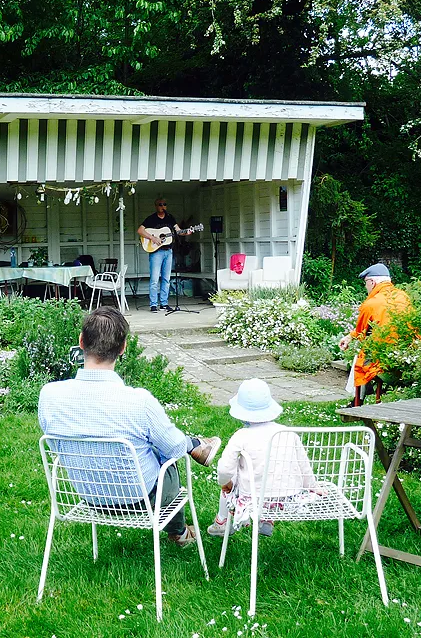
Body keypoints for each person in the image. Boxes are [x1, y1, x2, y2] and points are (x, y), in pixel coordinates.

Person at [38, 307, 222, 546]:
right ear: (123, 348)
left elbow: (54, 442)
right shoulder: (138, 401)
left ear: (81, 341)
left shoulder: (50, 395)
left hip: (85, 495)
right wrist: (184, 444)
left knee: (154, 446)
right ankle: (180, 529)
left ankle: (195, 447)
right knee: (167, 453)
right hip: (140, 499)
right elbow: (174, 449)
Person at [208, 379, 319, 538]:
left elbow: (224, 469)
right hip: (287, 497)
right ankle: (266, 519)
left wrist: (226, 482)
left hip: (252, 497)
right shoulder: (287, 432)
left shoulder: (242, 436)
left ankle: (222, 521)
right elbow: (303, 464)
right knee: (272, 476)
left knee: (230, 479)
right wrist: (312, 486)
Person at [338, 263, 412, 402]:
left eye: (366, 283)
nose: (366, 287)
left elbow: (361, 332)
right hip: (405, 354)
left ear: (372, 282)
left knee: (360, 357)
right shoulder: (404, 297)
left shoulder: (371, 303)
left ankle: (356, 401)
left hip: (382, 358)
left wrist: (351, 337)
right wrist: (350, 336)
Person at [137, 196, 189, 313]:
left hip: (168, 251)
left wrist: (186, 232)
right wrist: (152, 238)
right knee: (155, 279)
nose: (162, 206)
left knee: (166, 279)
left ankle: (164, 304)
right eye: (160, 204)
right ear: (156, 206)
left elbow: (178, 231)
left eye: (164, 204)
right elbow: (140, 230)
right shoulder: (151, 218)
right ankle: (153, 304)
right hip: (156, 252)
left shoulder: (170, 218)